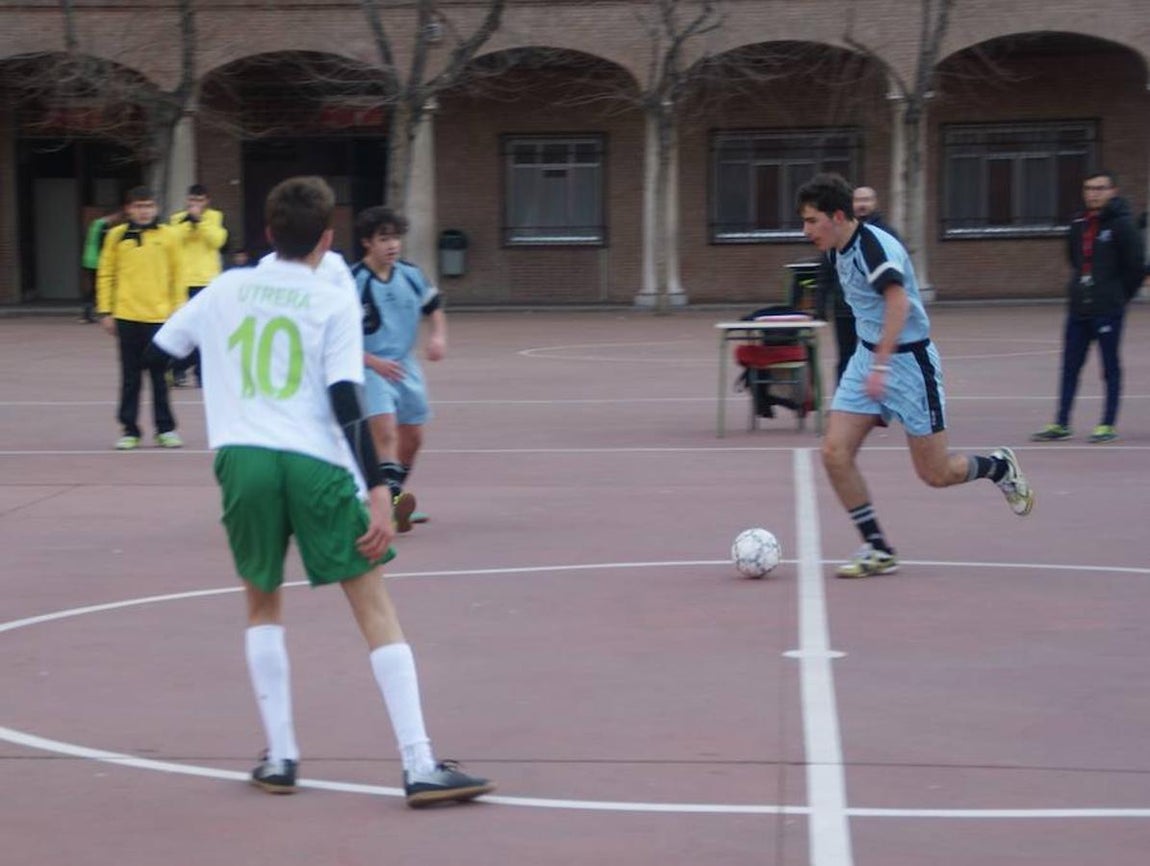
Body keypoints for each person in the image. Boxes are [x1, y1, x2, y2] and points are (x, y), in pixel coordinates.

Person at [146, 176, 493, 807]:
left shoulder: (227, 286)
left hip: (242, 458)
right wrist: (380, 491)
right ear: (327, 239)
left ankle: (280, 756)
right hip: (313, 460)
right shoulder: (329, 298)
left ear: (268, 233)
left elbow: (163, 348)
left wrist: (214, 372)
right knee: (373, 606)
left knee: (261, 603)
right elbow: (343, 397)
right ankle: (418, 764)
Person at [797, 173, 1034, 578]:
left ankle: (999, 467)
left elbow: (898, 303)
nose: (806, 230)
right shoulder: (835, 249)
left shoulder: (874, 246)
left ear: (837, 216)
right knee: (834, 453)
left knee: (935, 474)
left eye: (811, 220)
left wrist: (883, 366)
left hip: (907, 364)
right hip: (866, 358)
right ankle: (878, 548)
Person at [1030, 170, 1145, 444]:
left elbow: (1135, 267)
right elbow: (1075, 258)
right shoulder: (1079, 222)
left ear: (1113, 191)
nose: (1093, 193)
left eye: (1100, 188)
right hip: (1079, 308)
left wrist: (1117, 295)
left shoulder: (1123, 225)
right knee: (1070, 366)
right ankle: (1061, 422)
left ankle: (1106, 423)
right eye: (1089, 188)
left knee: (1109, 367)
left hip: (1108, 309)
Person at [352, 206, 446, 533]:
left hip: (406, 365)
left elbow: (434, 308)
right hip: (372, 366)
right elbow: (339, 338)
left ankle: (392, 495)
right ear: (367, 242)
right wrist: (373, 362)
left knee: (414, 437)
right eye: (383, 239)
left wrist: (437, 336)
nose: (392, 245)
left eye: (395, 238)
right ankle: (391, 502)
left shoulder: (410, 274)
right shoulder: (354, 282)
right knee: (386, 432)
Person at [95, 186, 184, 451]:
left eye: (148, 206)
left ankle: (165, 428)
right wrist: (105, 311)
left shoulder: (169, 236)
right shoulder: (116, 236)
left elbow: (177, 275)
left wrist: (179, 309)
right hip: (126, 315)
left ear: (155, 208)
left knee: (160, 376)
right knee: (130, 376)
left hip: (160, 317)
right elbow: (106, 274)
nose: (143, 211)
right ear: (128, 209)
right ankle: (129, 429)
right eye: (138, 206)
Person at [815, 186, 900, 384]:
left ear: (875, 202)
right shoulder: (837, 233)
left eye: (867, 199)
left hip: (875, 310)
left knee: (877, 355)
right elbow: (826, 271)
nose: (862, 204)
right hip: (845, 308)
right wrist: (820, 304)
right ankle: (844, 403)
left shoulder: (886, 234)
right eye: (858, 200)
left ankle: (880, 404)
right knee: (846, 358)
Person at [168, 184, 228, 387]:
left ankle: (202, 374)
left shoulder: (214, 217)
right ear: (187, 201)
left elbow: (217, 241)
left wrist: (200, 222)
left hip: (207, 281)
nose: (195, 205)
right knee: (185, 329)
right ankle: (178, 368)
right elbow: (174, 239)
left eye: (200, 201)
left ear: (207, 201)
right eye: (192, 201)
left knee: (207, 330)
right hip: (184, 282)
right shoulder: (177, 219)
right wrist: (189, 222)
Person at [80, 206, 123, 323]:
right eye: (117, 216)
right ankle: (88, 313)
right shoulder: (103, 226)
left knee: (92, 288)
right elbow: (103, 244)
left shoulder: (95, 224)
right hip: (96, 261)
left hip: (88, 259)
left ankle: (87, 313)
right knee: (97, 288)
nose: (118, 219)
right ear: (113, 215)